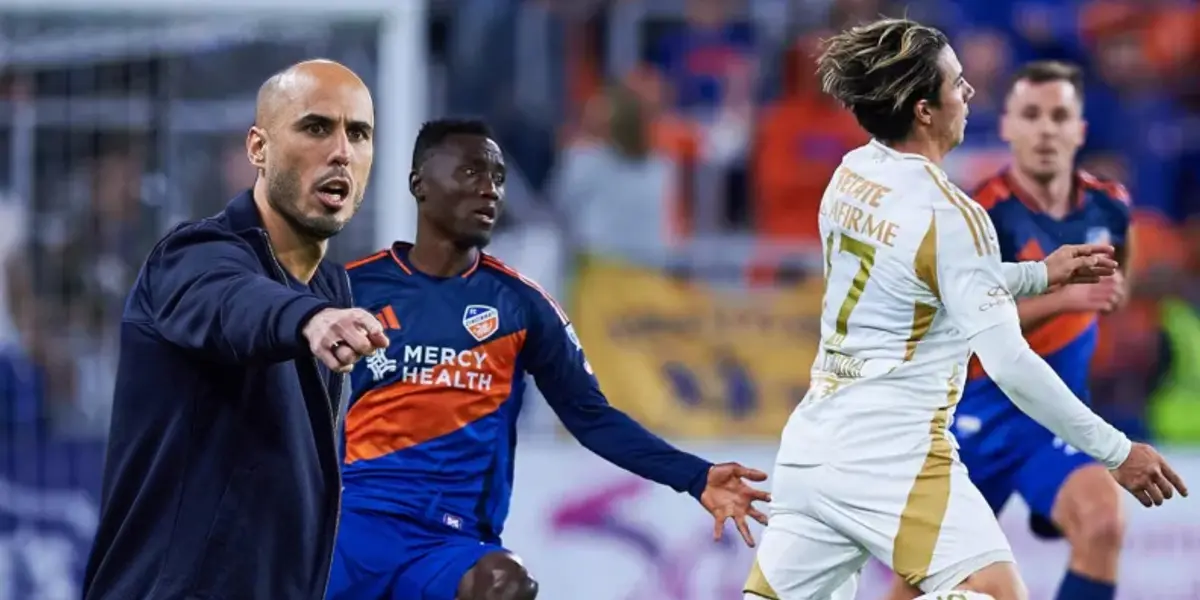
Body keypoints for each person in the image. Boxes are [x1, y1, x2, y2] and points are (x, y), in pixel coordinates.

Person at [739, 18, 1187, 600]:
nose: (969, 93)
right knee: (997, 594)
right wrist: (1118, 451)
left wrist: (1036, 273)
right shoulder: (952, 215)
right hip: (894, 451)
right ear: (925, 109)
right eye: (957, 82)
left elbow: (920, 274)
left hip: (814, 448)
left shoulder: (853, 174)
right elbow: (1010, 365)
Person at [328, 118, 771, 600]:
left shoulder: (522, 305)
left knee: (505, 583)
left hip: (451, 542)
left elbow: (591, 418)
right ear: (420, 185)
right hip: (355, 527)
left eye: (497, 178)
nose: (489, 190)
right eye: (471, 173)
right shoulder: (351, 288)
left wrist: (695, 476)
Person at [83, 59, 389, 600]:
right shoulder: (190, 257)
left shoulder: (331, 292)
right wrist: (308, 320)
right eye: (316, 127)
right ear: (258, 149)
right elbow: (233, 304)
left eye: (358, 133)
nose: (341, 150)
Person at [886, 60, 1135, 600]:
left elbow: (1117, 284)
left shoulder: (1110, 206)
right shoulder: (979, 216)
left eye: (1059, 115)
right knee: (917, 583)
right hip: (973, 416)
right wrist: (1068, 298)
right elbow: (961, 321)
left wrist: (1110, 296)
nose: (1046, 129)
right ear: (1008, 127)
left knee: (1103, 524)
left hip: (1053, 417)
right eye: (1031, 114)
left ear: (1080, 129)